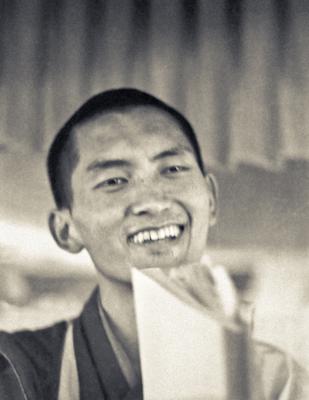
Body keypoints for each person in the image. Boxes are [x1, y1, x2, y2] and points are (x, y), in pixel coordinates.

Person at [0, 88, 308, 399]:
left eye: (173, 169)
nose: (154, 201)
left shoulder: (277, 381)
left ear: (211, 199)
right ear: (66, 230)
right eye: (114, 181)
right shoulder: (16, 372)